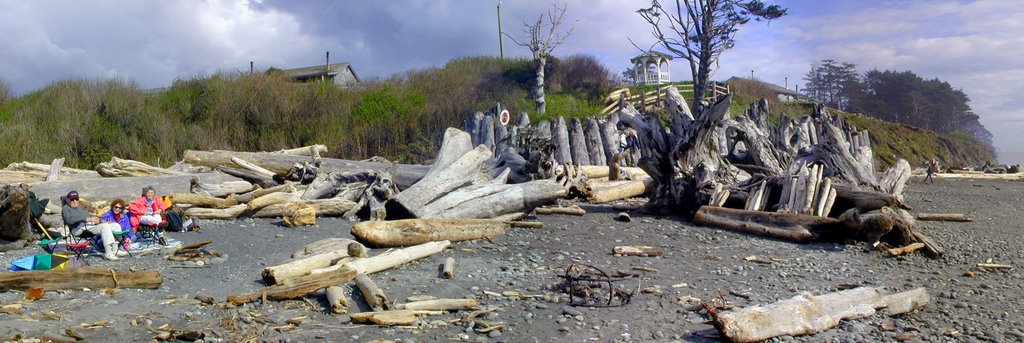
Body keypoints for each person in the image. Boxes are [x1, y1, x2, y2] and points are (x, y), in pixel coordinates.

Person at [61, 191, 127, 261]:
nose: (75, 201)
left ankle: (115, 250)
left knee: (115, 225)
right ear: (67, 200)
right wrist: (87, 219)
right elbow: (69, 220)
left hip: (89, 226)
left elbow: (89, 216)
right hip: (79, 229)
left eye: (76, 199)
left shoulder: (79, 207)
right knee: (104, 227)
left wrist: (101, 221)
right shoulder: (65, 208)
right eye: (72, 199)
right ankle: (108, 253)